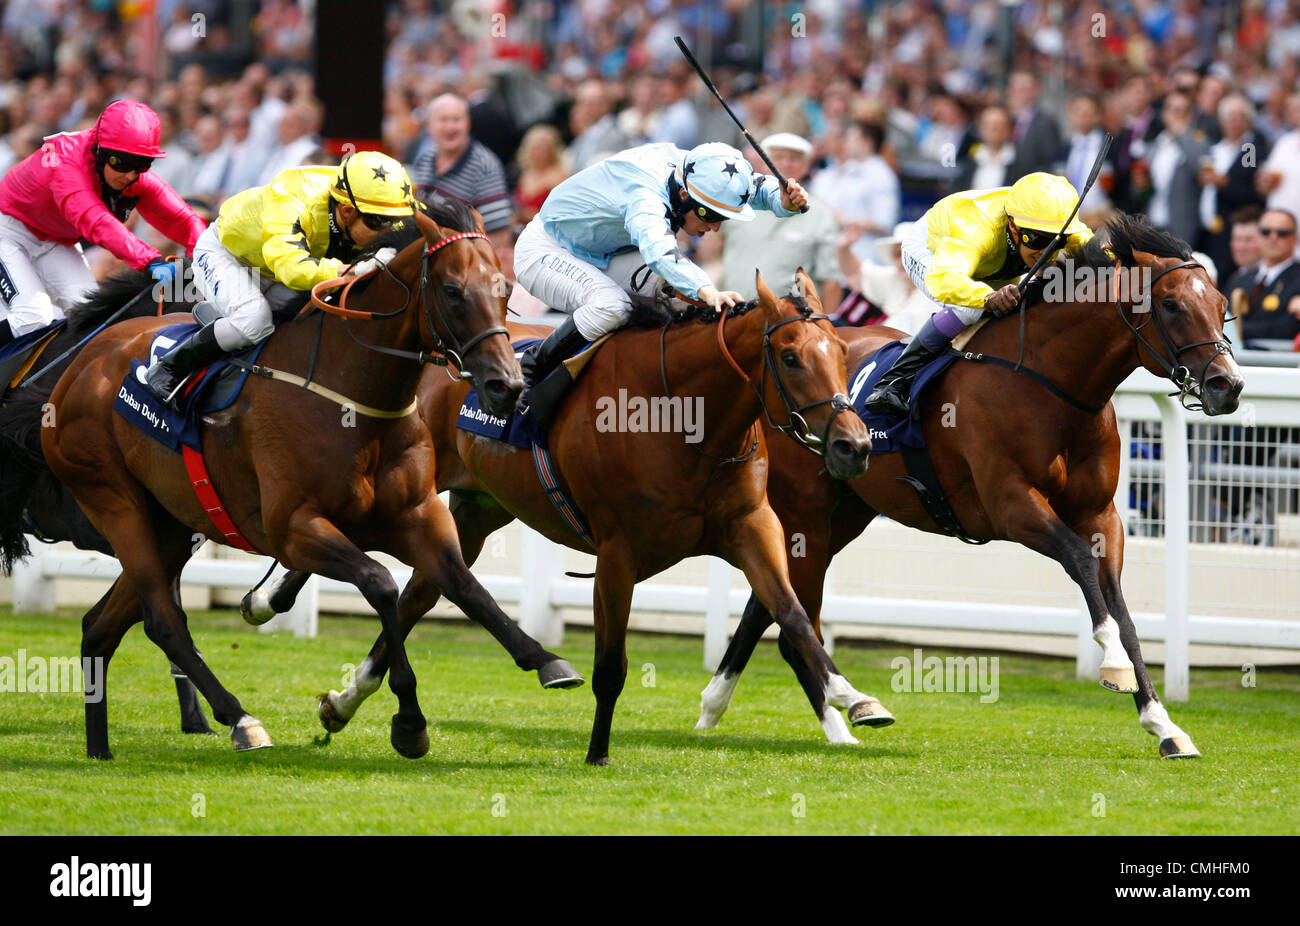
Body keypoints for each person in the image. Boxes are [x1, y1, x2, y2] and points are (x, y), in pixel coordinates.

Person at [513, 141, 809, 389]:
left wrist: (782, 200)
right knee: (612, 306)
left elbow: (751, 185)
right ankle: (530, 372)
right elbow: (661, 253)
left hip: (606, 250)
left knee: (674, 294)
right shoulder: (644, 197)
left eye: (723, 217)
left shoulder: (692, 170)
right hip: (547, 249)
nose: (716, 228)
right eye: (710, 215)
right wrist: (707, 290)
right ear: (683, 195)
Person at [143, 151, 414, 406]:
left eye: (394, 221)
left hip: (280, 264)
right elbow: (291, 267)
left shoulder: (375, 202)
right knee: (254, 321)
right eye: (379, 223)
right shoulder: (293, 199)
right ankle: (168, 367)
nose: (388, 231)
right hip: (229, 255)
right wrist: (346, 272)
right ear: (346, 211)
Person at [862, 172, 1092, 418]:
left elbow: (1099, 250)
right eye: (1037, 239)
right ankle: (892, 383)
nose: (1046, 252)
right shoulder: (975, 227)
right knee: (969, 308)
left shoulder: (1056, 223)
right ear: (1013, 225)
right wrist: (986, 297)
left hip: (996, 261)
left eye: (1057, 242)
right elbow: (946, 280)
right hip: (932, 252)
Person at [0, 98, 206, 348]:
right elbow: (94, 220)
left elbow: (184, 219)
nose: (131, 174)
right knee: (34, 319)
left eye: (142, 164)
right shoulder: (66, 162)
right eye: (122, 162)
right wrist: (151, 260)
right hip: (8, 232)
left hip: (56, 241)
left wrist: (203, 257)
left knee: (89, 321)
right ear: (100, 151)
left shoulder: (129, 173)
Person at [720, 132, 841, 307]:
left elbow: (830, 280)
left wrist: (828, 328)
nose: (785, 163)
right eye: (777, 157)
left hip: (789, 326)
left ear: (806, 166)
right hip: (734, 317)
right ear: (763, 163)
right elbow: (712, 249)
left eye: (794, 158)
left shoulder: (821, 214)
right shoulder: (740, 202)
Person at [1226, 208, 1300, 348]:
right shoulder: (1240, 278)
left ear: (1295, 239)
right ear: (1258, 237)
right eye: (1266, 232)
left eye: (1282, 233)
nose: (1273, 237)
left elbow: (1287, 329)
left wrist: (1235, 330)